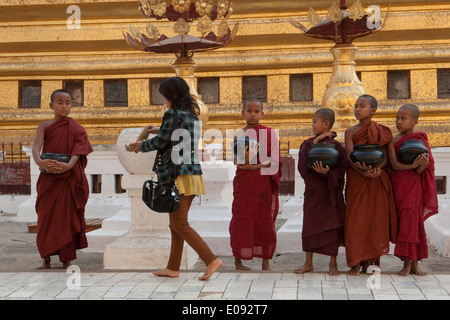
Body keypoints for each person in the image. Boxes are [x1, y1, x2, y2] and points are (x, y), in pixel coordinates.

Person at [128, 76, 222, 281]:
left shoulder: (172, 114)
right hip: (192, 174)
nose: (163, 98)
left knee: (180, 225)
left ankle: (211, 260)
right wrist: (159, 129)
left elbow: (162, 142)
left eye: (164, 95)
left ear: (171, 95)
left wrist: (140, 146)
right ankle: (172, 268)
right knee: (176, 225)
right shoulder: (192, 117)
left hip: (178, 175)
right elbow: (177, 136)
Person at [32, 89, 93, 269]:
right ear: (51, 105)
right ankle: (46, 258)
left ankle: (67, 260)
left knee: (67, 217)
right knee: (46, 217)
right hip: (48, 179)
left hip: (68, 179)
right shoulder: (44, 126)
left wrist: (68, 166)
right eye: (60, 102)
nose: (64, 106)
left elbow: (78, 152)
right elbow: (36, 146)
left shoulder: (77, 129)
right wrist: (39, 161)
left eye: (68, 103)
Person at [344, 94, 398, 276]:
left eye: (362, 106)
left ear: (373, 110)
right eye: (356, 106)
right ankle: (354, 262)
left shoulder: (383, 131)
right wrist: (363, 172)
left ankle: (369, 262)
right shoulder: (350, 132)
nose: (357, 109)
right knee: (355, 221)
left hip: (377, 180)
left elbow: (387, 158)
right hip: (357, 180)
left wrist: (377, 170)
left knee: (374, 221)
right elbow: (350, 157)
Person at [229, 98, 282, 270]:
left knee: (264, 221)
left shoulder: (269, 134)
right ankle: (238, 261)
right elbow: (240, 163)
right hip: (244, 186)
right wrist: (259, 165)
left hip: (262, 186)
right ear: (242, 112)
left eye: (256, 111)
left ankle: (265, 262)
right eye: (249, 111)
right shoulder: (238, 134)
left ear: (262, 114)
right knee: (241, 220)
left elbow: (275, 163)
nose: (253, 114)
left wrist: (256, 166)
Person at [387, 104, 438, 276]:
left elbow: (424, 168)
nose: (398, 122)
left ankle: (414, 263)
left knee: (414, 224)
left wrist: (419, 166)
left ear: (415, 121)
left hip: (414, 187)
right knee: (404, 224)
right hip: (399, 186)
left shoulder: (421, 140)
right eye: (397, 118)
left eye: (403, 118)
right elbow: (393, 165)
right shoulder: (393, 141)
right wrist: (413, 165)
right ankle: (406, 263)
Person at [296, 108, 347, 275]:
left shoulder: (336, 146)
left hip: (329, 191)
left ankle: (333, 263)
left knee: (331, 226)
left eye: (314, 121)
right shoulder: (307, 144)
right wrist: (317, 142)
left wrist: (328, 173)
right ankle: (308, 263)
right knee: (310, 226)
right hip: (314, 190)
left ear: (326, 124)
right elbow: (303, 169)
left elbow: (342, 169)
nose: (312, 125)